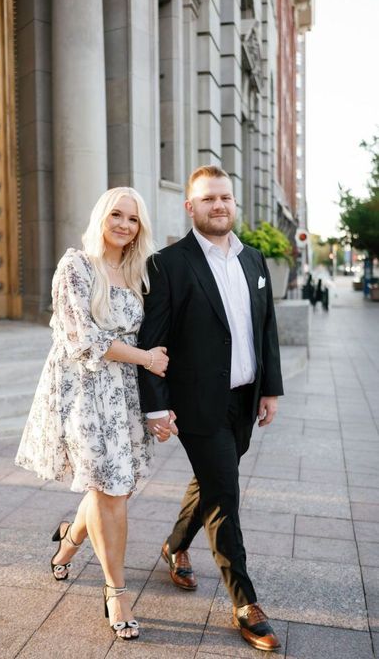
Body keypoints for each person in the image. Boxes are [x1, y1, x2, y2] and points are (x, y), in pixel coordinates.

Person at [138, 165, 284, 652]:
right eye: (208, 200)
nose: (218, 206)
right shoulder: (168, 264)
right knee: (225, 495)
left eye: (225, 198)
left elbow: (266, 331)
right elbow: (152, 341)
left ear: (233, 203)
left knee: (212, 480)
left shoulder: (255, 260)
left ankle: (174, 545)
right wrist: (157, 409)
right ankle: (245, 602)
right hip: (198, 403)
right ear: (190, 207)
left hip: (244, 398)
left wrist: (270, 389)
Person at [15, 187, 169, 641]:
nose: (124, 224)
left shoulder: (139, 272)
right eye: (116, 214)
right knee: (111, 490)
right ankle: (116, 591)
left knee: (109, 486)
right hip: (85, 391)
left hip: (124, 394)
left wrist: (159, 395)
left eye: (134, 219)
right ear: (101, 216)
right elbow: (81, 338)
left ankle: (67, 542)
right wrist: (144, 358)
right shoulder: (75, 266)